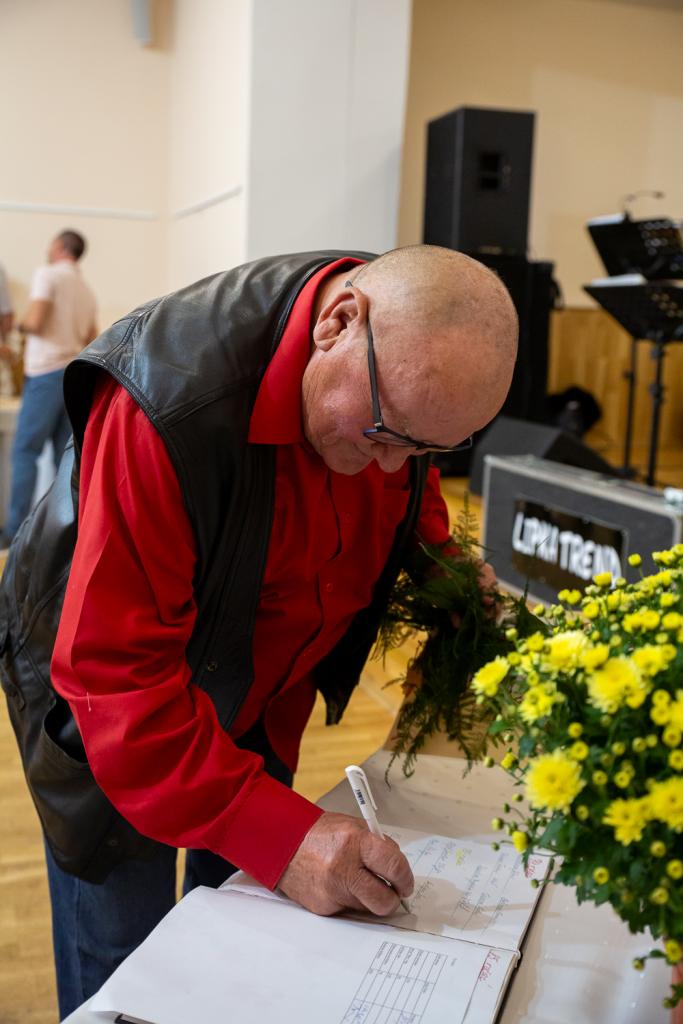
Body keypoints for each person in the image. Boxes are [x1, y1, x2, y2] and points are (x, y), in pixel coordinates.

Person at [0, 244, 517, 1019]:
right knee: (127, 964)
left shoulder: (397, 370)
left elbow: (402, 478)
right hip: (114, 723)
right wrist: (283, 838)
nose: (389, 469)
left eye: (424, 451)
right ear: (337, 324)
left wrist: (444, 566)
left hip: (259, 692)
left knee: (237, 946)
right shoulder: (165, 405)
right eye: (384, 435)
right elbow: (118, 677)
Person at [0, 229, 97, 546]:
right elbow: (92, 338)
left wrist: (19, 324)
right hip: (73, 377)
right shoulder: (86, 289)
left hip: (45, 375)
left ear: (60, 247)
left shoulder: (48, 274)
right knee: (65, 461)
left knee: (25, 452)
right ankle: (61, 538)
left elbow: (37, 321)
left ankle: (13, 533)